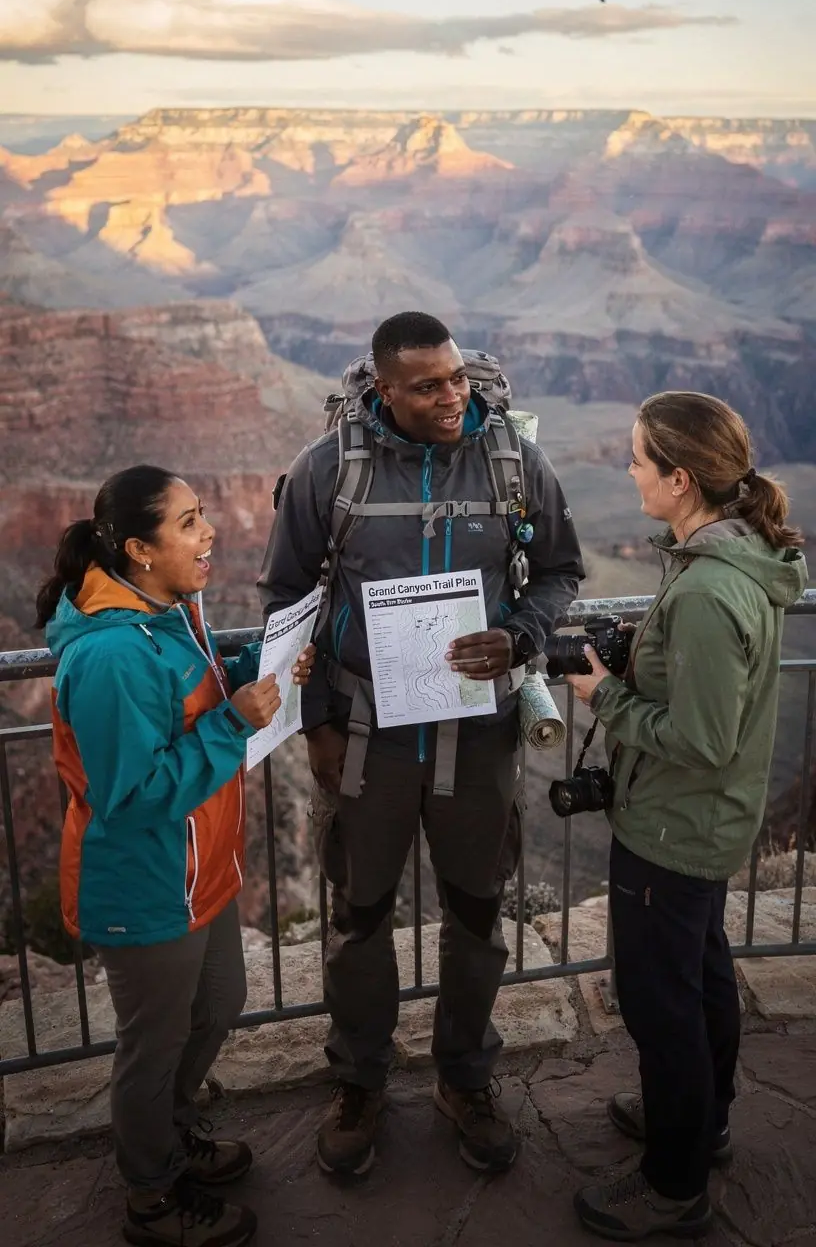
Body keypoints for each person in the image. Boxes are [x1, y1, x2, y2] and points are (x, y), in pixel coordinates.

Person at [258, 311, 584, 1177]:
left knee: (477, 911)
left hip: (477, 736)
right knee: (359, 918)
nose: (453, 397)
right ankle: (360, 1082)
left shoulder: (513, 458)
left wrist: (518, 636)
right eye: (429, 386)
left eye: (457, 379)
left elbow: (559, 573)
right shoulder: (329, 470)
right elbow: (287, 595)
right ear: (385, 390)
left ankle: (465, 1078)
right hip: (369, 738)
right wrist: (320, 722)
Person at [37, 464, 314, 1247]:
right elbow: (134, 794)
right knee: (151, 1047)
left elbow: (186, 697)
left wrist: (252, 673)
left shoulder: (169, 609)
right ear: (138, 548)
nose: (210, 532)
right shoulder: (111, 657)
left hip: (201, 871)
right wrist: (233, 723)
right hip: (145, 882)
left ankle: (170, 1128)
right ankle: (151, 1197)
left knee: (219, 1002)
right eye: (189, 522)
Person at [564, 392, 807, 1243]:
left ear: (677, 478)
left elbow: (700, 739)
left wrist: (609, 696)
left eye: (637, 459)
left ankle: (674, 1185)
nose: (626, 471)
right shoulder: (735, 557)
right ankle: (708, 1123)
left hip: (675, 824)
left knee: (658, 1002)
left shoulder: (707, 592)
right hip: (709, 821)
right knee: (703, 978)